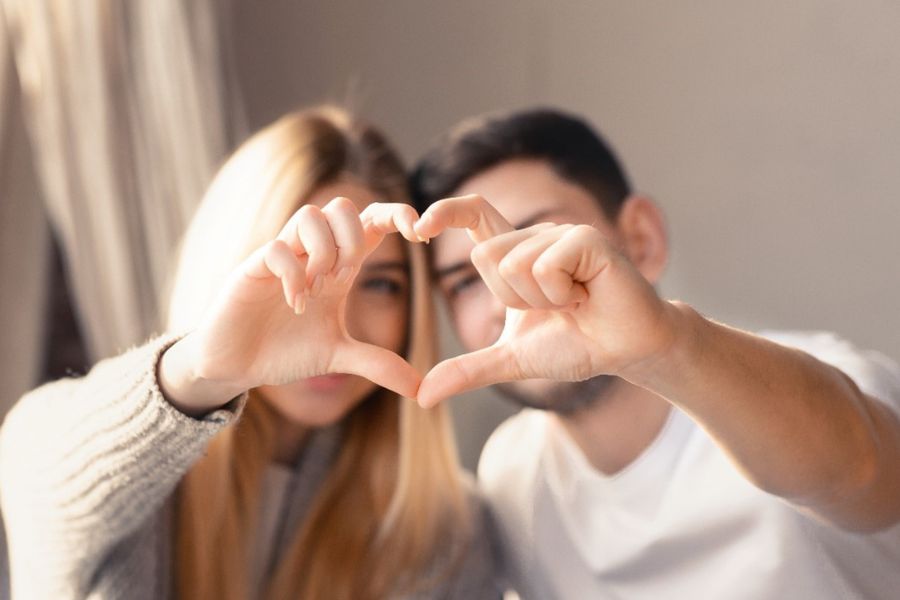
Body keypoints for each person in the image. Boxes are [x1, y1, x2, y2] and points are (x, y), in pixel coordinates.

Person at [0, 106, 500, 600]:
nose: (335, 322)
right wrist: (199, 373)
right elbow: (32, 465)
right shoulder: (135, 483)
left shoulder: (448, 532)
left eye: (382, 285)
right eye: (304, 263)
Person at [408, 108, 900, 599]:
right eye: (467, 281)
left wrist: (665, 348)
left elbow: (861, 473)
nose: (507, 295)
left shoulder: (826, 381)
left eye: (535, 244)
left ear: (641, 239)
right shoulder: (513, 471)